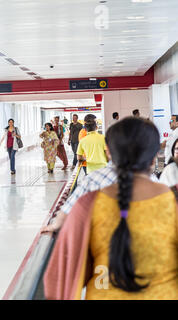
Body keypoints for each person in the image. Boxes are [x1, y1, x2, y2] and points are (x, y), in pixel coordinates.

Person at [44, 117, 178, 300]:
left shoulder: (89, 203)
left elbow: (61, 275)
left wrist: (54, 226)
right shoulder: (171, 202)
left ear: (110, 154)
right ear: (154, 157)